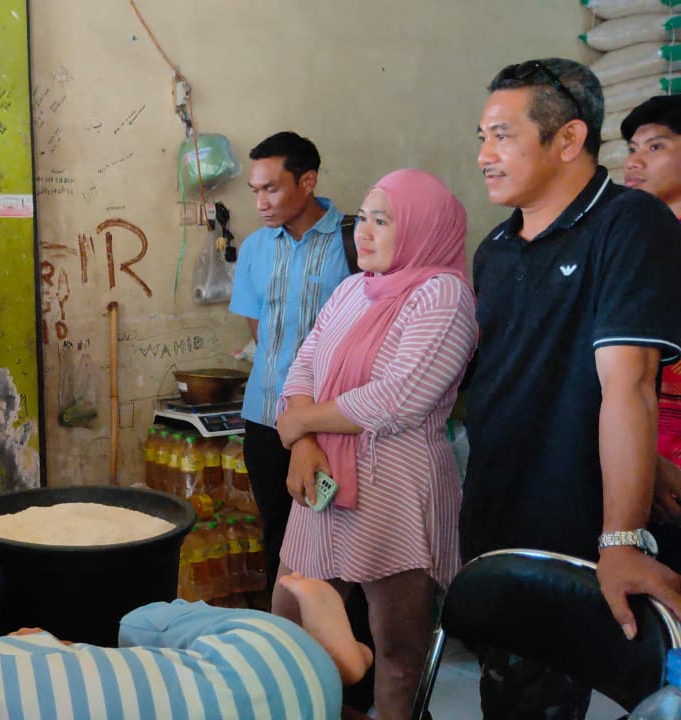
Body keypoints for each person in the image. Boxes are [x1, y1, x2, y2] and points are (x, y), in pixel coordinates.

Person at [466, 58, 681, 718]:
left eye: (503, 135)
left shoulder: (630, 225)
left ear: (567, 139)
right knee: (508, 694)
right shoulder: (496, 250)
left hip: (576, 530)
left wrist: (621, 539)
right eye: (481, 136)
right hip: (498, 517)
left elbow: (632, 384)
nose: (484, 156)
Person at [272, 168, 478, 718]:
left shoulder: (444, 294)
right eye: (362, 218)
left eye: (382, 220)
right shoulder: (350, 289)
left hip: (395, 489)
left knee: (398, 652)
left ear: (420, 227)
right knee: (287, 632)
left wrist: (300, 423)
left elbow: (400, 398)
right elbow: (305, 363)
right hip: (323, 481)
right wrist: (303, 443)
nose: (363, 232)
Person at [0, 573, 373, 720]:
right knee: (137, 624)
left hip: (312, 707)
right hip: (275, 653)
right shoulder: (9, 661)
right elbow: (57, 646)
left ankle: (333, 662)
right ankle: (344, 651)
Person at [229, 131, 354, 583]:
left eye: (272, 188)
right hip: (265, 419)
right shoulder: (255, 248)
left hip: (332, 422)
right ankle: (285, 640)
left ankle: (349, 645)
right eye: (255, 190)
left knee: (337, 535)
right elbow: (260, 330)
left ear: (307, 181)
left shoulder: (354, 242)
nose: (261, 202)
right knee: (279, 535)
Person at [621, 96, 681, 529]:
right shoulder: (629, 245)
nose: (635, 162)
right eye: (631, 150)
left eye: (655, 147)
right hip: (637, 447)